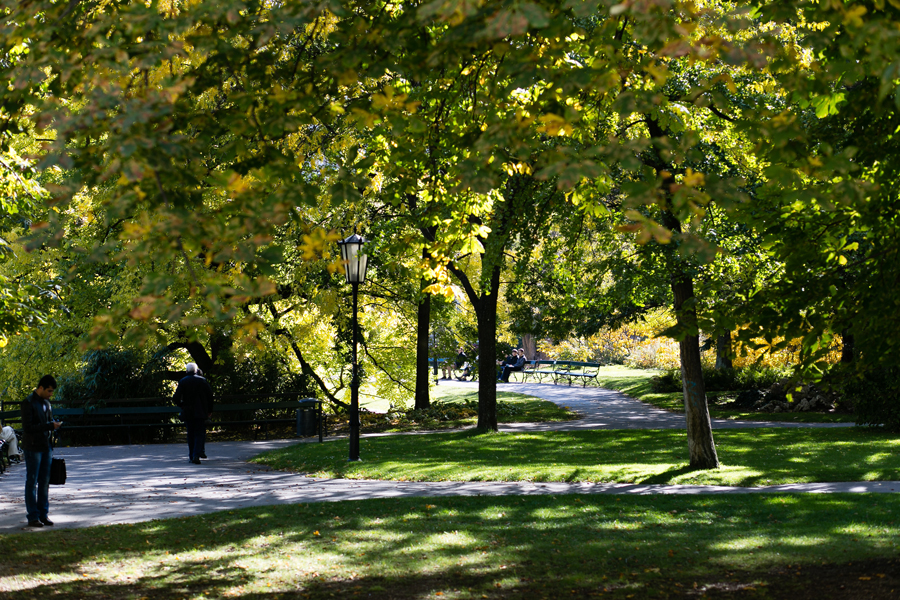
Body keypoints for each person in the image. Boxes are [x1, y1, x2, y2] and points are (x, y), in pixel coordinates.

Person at [21, 375, 62, 528]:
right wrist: (50, 426)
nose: (51, 394)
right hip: (33, 447)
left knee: (44, 482)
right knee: (32, 482)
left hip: (46, 446)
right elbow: (28, 428)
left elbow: (46, 423)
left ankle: (43, 515)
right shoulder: (28, 402)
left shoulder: (46, 402)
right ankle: (33, 516)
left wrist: (52, 427)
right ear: (41, 388)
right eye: (49, 391)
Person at [173, 363, 214, 465]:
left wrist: (182, 405)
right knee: (199, 433)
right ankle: (196, 454)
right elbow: (210, 397)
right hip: (200, 411)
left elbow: (176, 398)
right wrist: (209, 410)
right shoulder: (202, 381)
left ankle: (191, 456)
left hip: (188, 411)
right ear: (196, 371)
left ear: (187, 371)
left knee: (190, 433)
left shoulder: (183, 381)